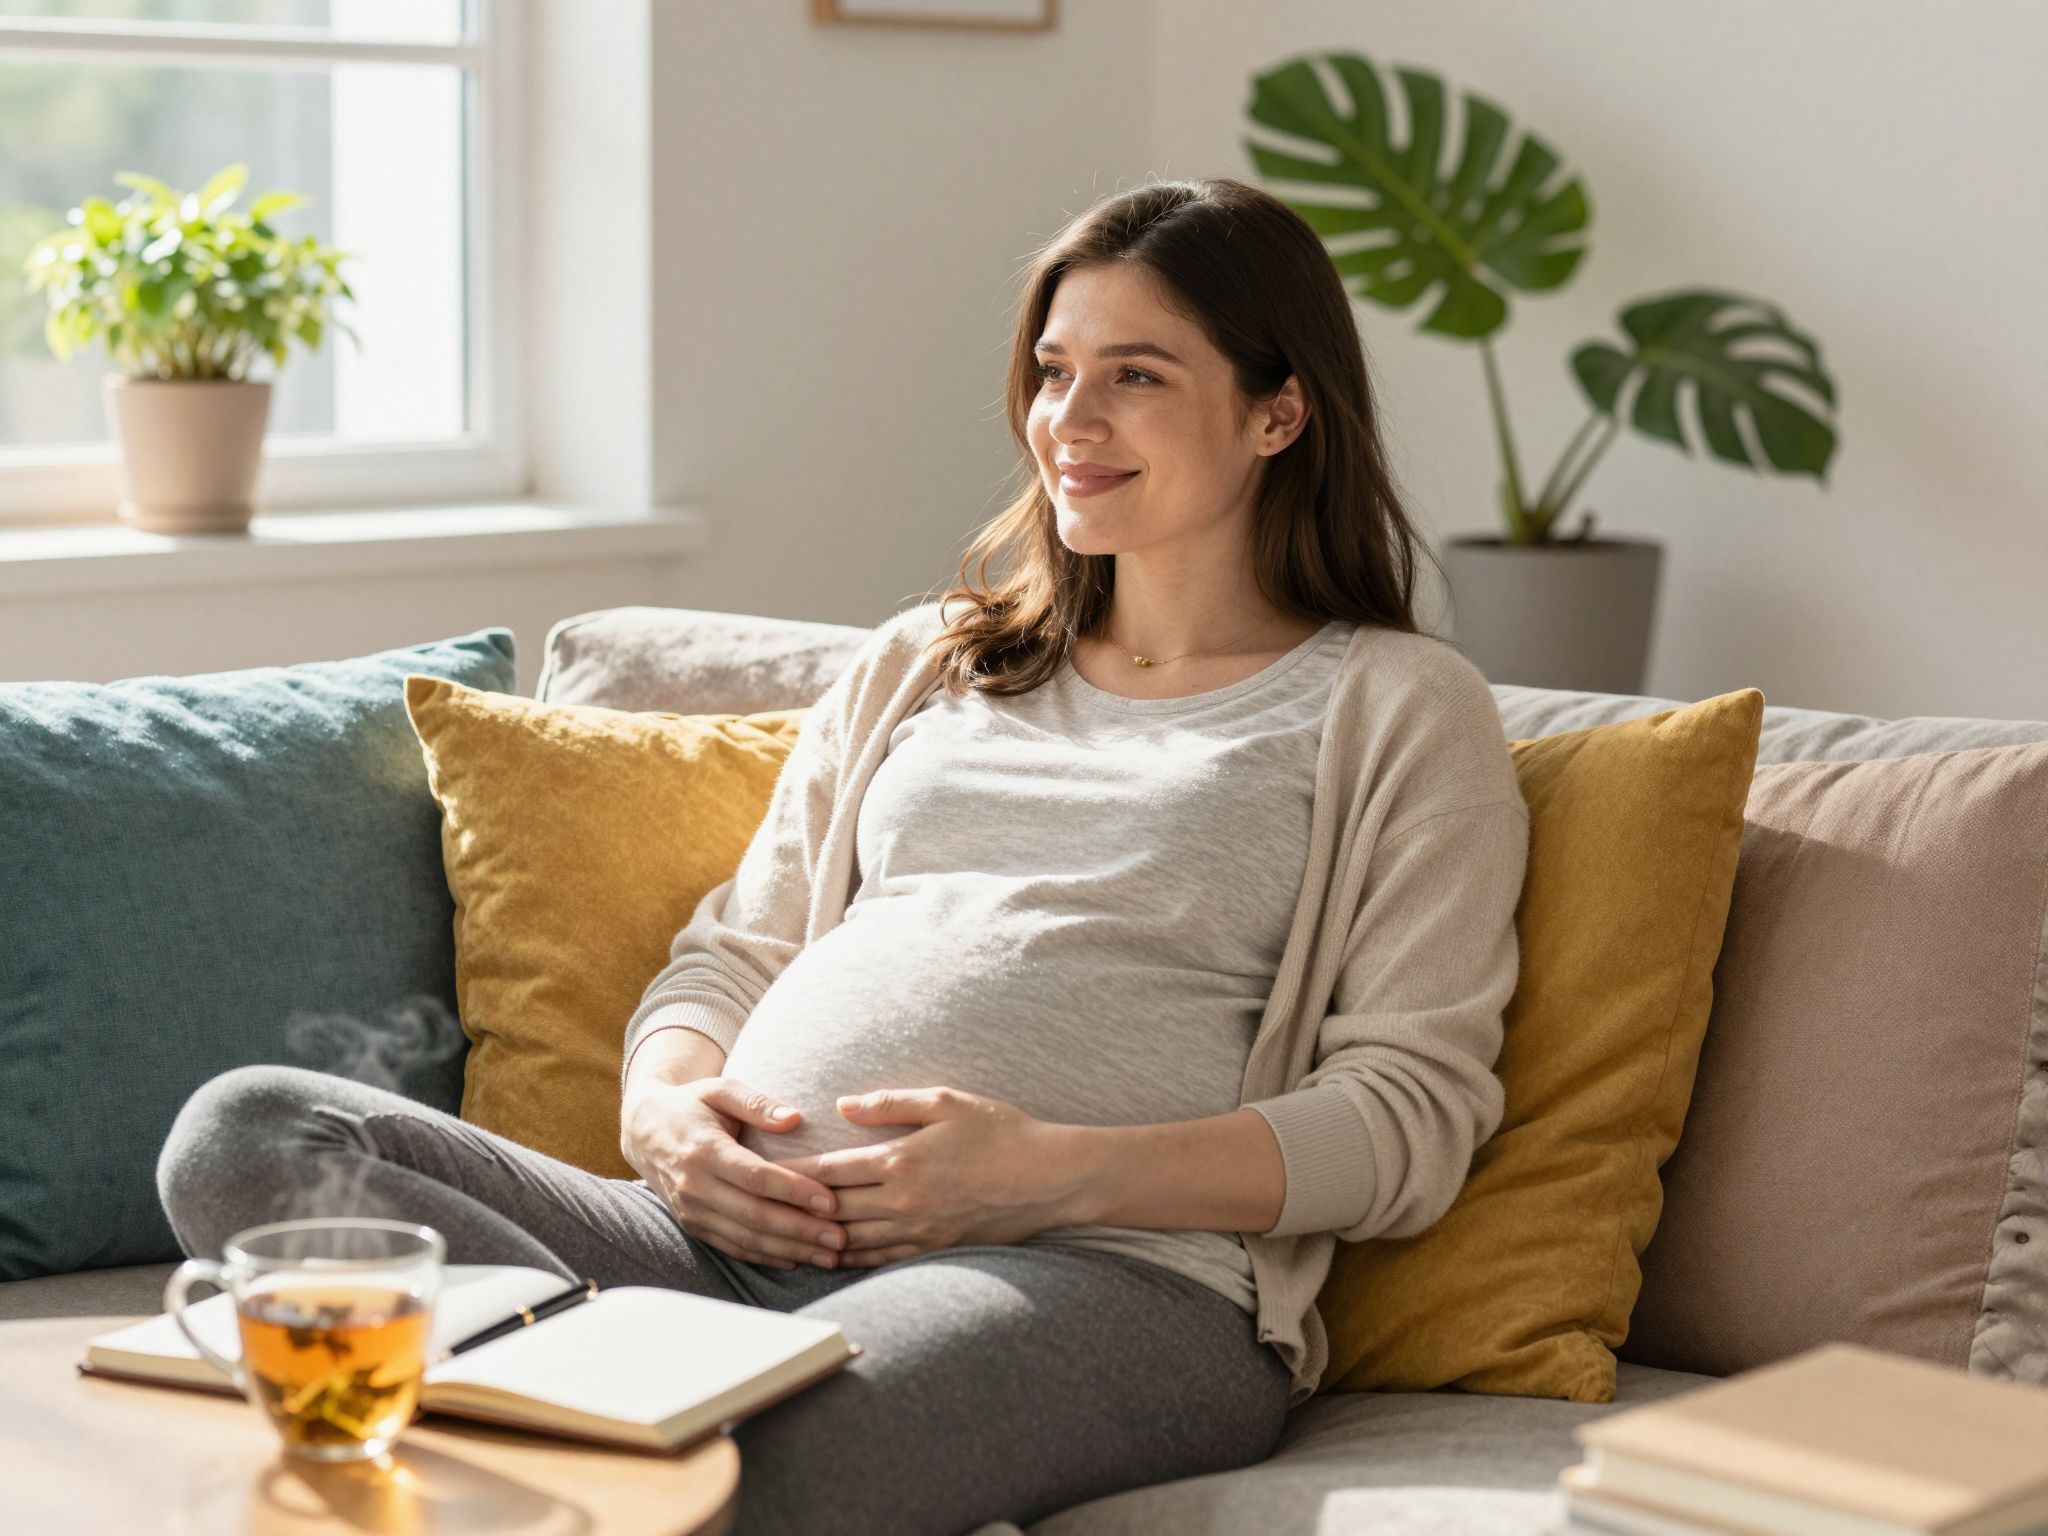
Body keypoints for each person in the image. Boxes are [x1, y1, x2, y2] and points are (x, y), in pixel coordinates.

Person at [157, 175, 1530, 1536]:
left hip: (1099, 1277)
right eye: (1054, 372)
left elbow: (1407, 1118)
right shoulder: (935, 659)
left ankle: (591, 1392)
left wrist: (1052, 1169)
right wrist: (666, 1117)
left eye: (1138, 376)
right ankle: (613, 1378)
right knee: (254, 1135)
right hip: (714, 1245)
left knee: (752, 1460)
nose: (1071, 420)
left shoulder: (1394, 705)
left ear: (1278, 411)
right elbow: (731, 956)